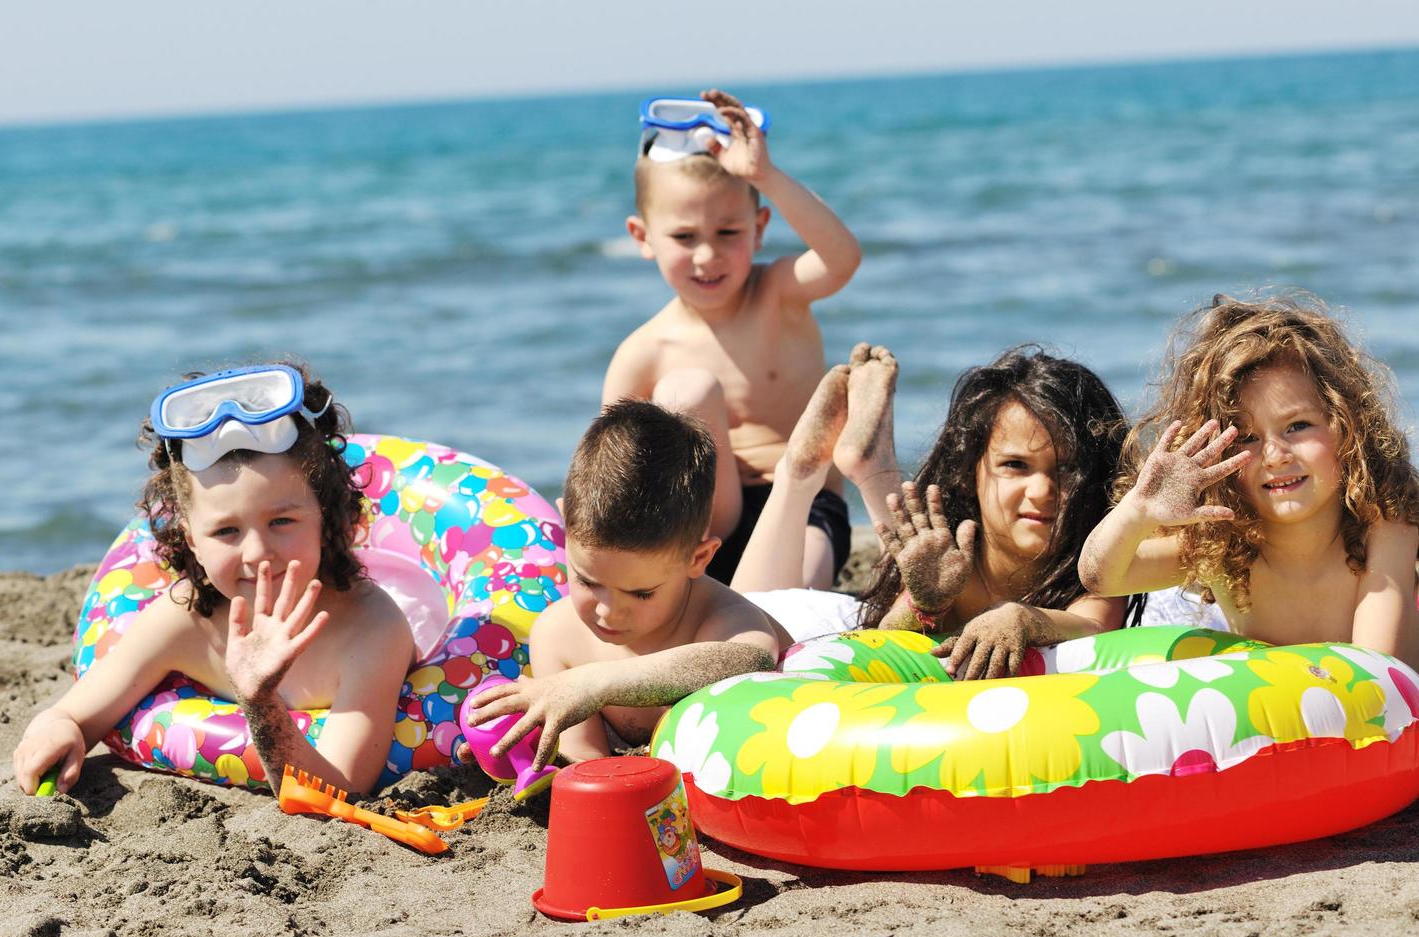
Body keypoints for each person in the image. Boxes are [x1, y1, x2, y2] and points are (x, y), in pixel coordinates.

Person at [11, 363, 415, 796]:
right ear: (192, 541)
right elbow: (69, 715)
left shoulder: (371, 628)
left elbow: (342, 787)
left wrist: (260, 702)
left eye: (282, 520)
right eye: (226, 531)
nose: (258, 552)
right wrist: (55, 731)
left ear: (325, 515)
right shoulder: (187, 620)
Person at [740, 346, 1133, 679]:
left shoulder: (1094, 562)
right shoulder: (955, 557)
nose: (1043, 490)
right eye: (1015, 465)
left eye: (1067, 470)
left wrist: (1022, 618)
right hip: (879, 599)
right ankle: (796, 475)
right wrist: (922, 603)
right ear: (969, 473)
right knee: (752, 610)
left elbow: (1094, 625)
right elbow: (885, 636)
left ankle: (874, 467)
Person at [605, 89, 862, 589]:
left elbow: (842, 258)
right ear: (642, 237)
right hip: (700, 529)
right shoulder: (643, 352)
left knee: (789, 608)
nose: (707, 256)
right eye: (684, 237)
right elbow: (612, 466)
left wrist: (765, 177)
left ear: (759, 227)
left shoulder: (779, 295)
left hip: (803, 506)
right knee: (687, 392)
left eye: (728, 233)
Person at [1079, 294, 1419, 666]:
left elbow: (1375, 666)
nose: (1276, 456)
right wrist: (1139, 512)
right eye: (1246, 438)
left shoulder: (1384, 521)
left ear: (1347, 427)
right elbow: (1103, 578)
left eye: (1298, 426)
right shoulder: (1224, 544)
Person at [464, 399, 782, 768]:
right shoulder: (558, 635)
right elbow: (585, 756)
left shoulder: (719, 618)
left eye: (641, 592)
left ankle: (796, 473)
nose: (607, 610)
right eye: (588, 581)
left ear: (698, 559)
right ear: (564, 522)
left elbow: (752, 658)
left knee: (775, 585)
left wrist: (594, 683)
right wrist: (523, 758)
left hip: (800, 619)